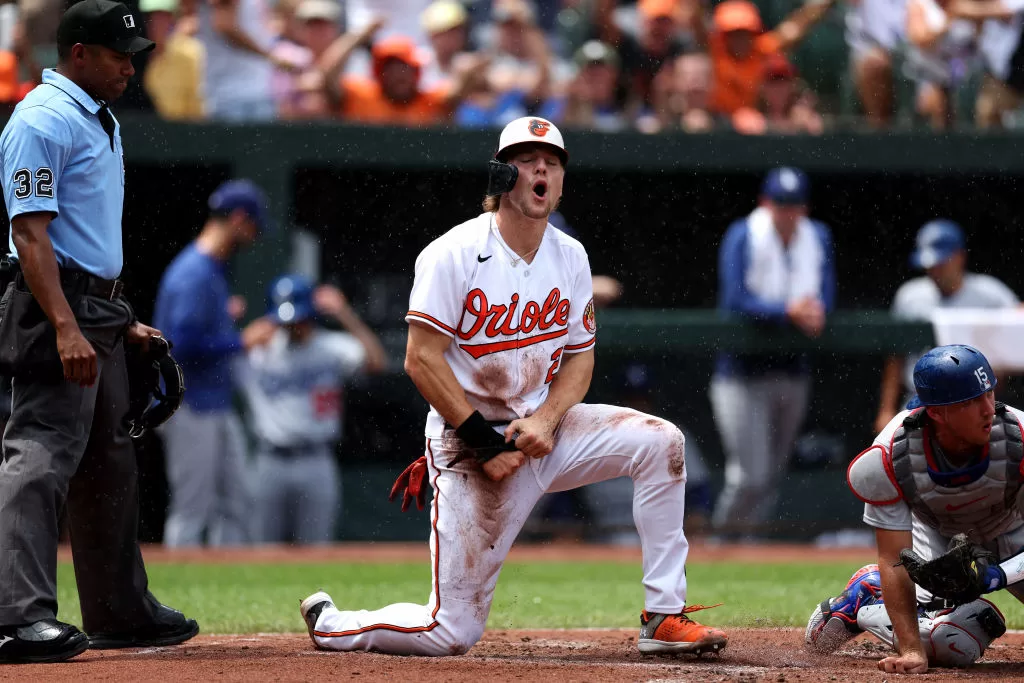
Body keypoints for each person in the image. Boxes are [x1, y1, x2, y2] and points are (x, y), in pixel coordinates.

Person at [298, 116, 728, 657]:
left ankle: (663, 615)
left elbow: (579, 360)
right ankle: (333, 624)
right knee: (450, 631)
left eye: (551, 161)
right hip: (471, 444)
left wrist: (549, 419)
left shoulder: (570, 256)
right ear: (502, 176)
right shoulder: (452, 253)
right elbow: (420, 361)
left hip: (545, 429)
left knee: (662, 441)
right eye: (527, 160)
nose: (541, 168)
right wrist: (482, 442)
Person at [0, 0, 198, 664]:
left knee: (109, 459)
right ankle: (15, 615)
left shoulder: (97, 116)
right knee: (40, 451)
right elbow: (31, 234)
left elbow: (88, 237)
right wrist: (65, 324)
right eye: (119, 55)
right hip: (53, 303)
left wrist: (118, 316)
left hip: (97, 307)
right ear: (79, 53)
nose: (129, 67)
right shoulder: (42, 118)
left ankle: (119, 610)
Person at [806, 344, 1020, 674]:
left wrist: (1000, 575)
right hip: (939, 534)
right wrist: (911, 651)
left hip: (1012, 527)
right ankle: (866, 596)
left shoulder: (1018, 437)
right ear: (936, 412)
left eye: (988, 393)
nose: (987, 409)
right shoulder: (890, 456)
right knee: (951, 643)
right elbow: (894, 558)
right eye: (970, 401)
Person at [709, 167, 836, 540]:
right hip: (741, 372)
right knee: (749, 476)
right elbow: (735, 300)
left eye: (795, 205)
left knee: (772, 477)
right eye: (781, 204)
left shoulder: (818, 236)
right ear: (766, 203)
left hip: (792, 370)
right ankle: (720, 545)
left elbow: (826, 295)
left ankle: (750, 547)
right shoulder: (744, 234)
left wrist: (814, 310)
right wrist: (787, 312)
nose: (788, 213)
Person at [153, 179, 272, 547]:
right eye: (252, 225)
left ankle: (230, 592)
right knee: (193, 509)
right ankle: (173, 600)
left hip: (213, 404)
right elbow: (177, 345)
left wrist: (224, 317)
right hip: (188, 404)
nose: (254, 235)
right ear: (238, 219)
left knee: (236, 502)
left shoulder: (211, 270)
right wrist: (241, 339)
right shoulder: (194, 272)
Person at [236, 274, 386, 544]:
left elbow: (376, 362)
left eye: (300, 319)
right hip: (270, 460)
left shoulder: (330, 347)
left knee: (316, 551)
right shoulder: (260, 350)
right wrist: (243, 337)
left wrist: (344, 314)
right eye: (287, 320)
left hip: (316, 459)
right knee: (260, 551)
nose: (294, 326)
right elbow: (210, 365)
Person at [874, 220, 1018, 435]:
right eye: (930, 264)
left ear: (960, 256)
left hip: (978, 401)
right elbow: (896, 358)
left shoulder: (989, 292)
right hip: (921, 402)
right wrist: (886, 410)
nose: (935, 270)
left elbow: (1018, 323)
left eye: (941, 262)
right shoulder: (910, 295)